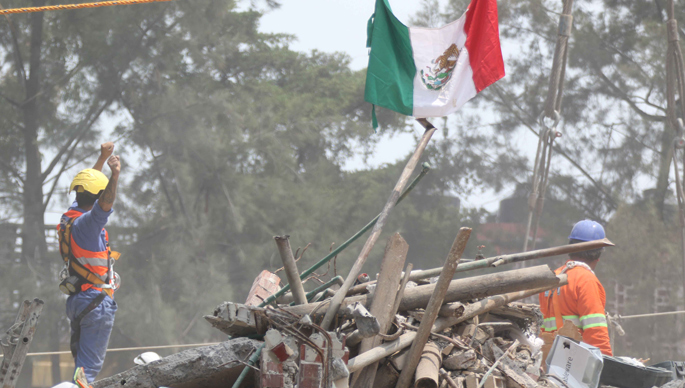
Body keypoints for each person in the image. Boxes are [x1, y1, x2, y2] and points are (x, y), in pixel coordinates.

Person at [58, 142, 121, 384]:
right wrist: (115, 174)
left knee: (80, 370)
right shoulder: (88, 223)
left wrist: (102, 159)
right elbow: (104, 203)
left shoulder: (69, 218)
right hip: (95, 303)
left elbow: (91, 187)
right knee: (87, 375)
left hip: (78, 301)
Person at [538, 220, 612, 356]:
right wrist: (607, 366)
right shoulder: (586, 281)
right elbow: (596, 333)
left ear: (570, 249)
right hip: (573, 364)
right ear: (598, 256)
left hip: (549, 360)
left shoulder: (551, 278)